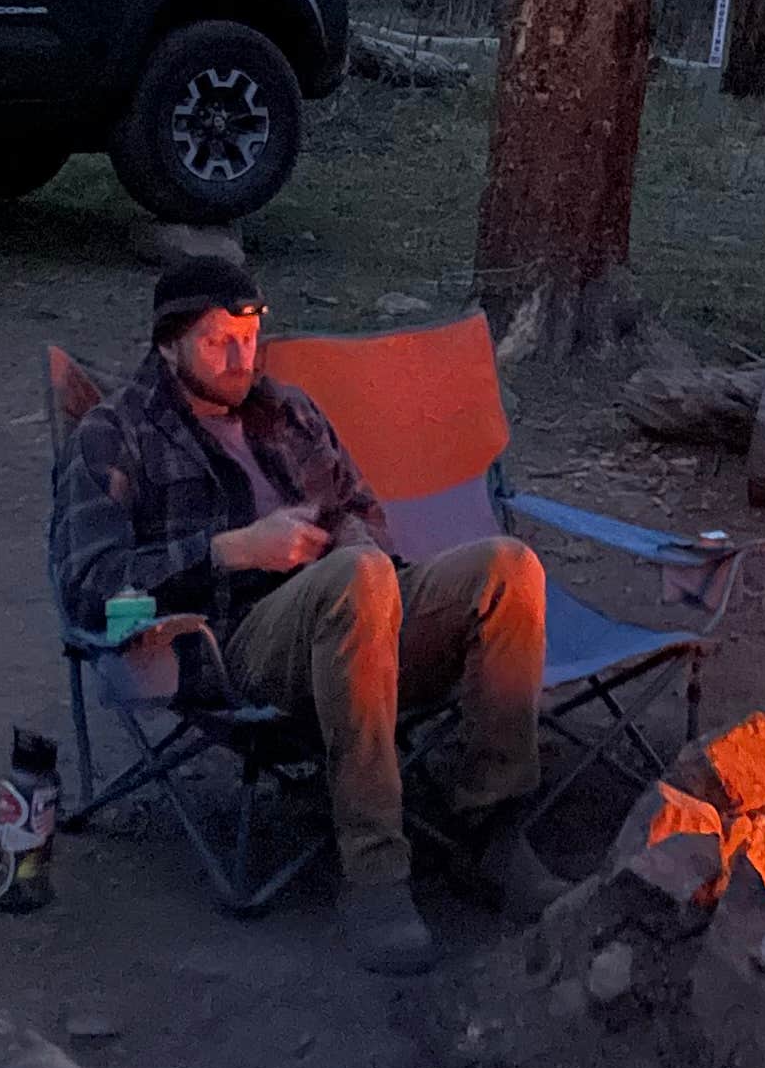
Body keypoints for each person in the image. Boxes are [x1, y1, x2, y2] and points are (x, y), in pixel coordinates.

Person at [51, 252, 558, 971]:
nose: (240, 358)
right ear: (168, 345)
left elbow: (361, 511)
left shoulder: (288, 411)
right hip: (234, 643)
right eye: (217, 342)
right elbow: (90, 585)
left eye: (249, 338)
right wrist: (232, 550)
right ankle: (375, 872)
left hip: (364, 611)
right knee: (355, 580)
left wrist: (355, 533)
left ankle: (493, 826)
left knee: (508, 570)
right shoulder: (117, 434)